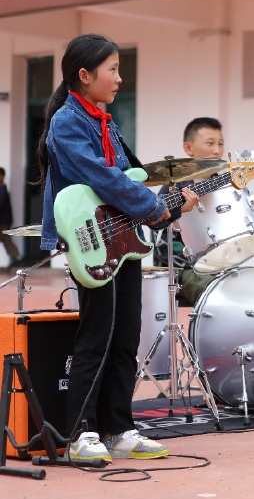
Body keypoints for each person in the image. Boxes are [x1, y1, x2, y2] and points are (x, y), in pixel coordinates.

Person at [37, 33, 199, 464]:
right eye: (112, 70)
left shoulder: (105, 121)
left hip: (120, 238)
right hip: (92, 240)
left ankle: (118, 427)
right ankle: (79, 433)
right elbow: (101, 179)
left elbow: (128, 177)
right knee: (98, 334)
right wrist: (153, 208)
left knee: (126, 332)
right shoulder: (68, 122)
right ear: (84, 75)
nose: (119, 79)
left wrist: (171, 202)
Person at [153, 117, 225, 305]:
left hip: (221, 265)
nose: (217, 150)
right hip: (182, 270)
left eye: (220, 144)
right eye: (210, 143)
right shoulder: (175, 187)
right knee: (216, 292)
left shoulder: (224, 187)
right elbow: (159, 239)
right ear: (188, 148)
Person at [0, 167, 21, 268]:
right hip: (3, 220)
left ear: (2, 176)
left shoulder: (2, 190)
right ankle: (15, 257)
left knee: (6, 239)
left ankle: (15, 257)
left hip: (3, 221)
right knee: (6, 239)